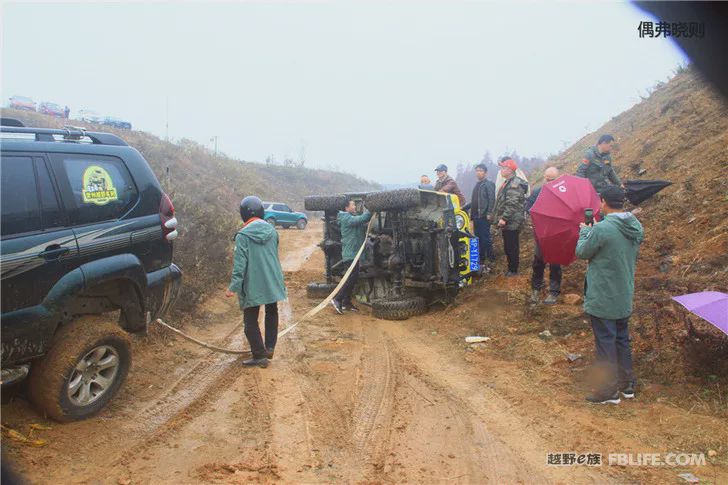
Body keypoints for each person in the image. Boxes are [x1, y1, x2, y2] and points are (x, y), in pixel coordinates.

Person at [576, 186, 643, 404]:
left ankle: (608, 392)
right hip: (623, 293)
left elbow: (582, 252)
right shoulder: (634, 226)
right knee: (622, 340)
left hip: (604, 295)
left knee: (605, 343)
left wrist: (586, 232)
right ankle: (627, 385)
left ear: (603, 202)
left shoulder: (602, 229)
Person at [226, 196, 287, 368]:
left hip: (253, 283)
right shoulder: (273, 231)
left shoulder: (242, 236)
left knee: (250, 321)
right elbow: (273, 255)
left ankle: (259, 355)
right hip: (272, 280)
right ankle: (269, 347)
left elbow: (240, 264)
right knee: (271, 311)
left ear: (243, 214)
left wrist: (234, 286)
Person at [526, 167, 562, 304]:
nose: (549, 181)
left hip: (557, 234)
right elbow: (528, 208)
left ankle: (554, 291)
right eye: (547, 178)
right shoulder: (537, 192)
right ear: (544, 177)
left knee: (555, 263)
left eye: (552, 179)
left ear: (557, 179)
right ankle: (536, 289)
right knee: (538, 262)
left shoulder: (561, 193)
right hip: (541, 233)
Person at [330, 199, 372, 314]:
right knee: (351, 278)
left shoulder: (351, 218)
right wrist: (371, 209)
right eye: (353, 205)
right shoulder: (346, 218)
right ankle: (337, 299)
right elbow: (362, 218)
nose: (355, 206)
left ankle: (346, 303)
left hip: (354, 254)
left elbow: (362, 224)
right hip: (350, 255)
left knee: (353, 278)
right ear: (346, 208)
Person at [493, 158, 528, 276]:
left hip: (512, 221)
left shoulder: (514, 184)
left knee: (511, 246)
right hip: (509, 221)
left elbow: (512, 203)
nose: (501, 170)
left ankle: (513, 270)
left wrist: (504, 218)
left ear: (509, 169)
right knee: (508, 245)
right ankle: (511, 268)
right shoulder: (507, 182)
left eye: (503, 168)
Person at [469, 163, 496, 264]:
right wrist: (464, 208)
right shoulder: (477, 184)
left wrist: (490, 213)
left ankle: (491, 258)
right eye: (477, 170)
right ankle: (481, 258)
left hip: (484, 216)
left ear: (485, 173)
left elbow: (492, 199)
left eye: (480, 170)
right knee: (478, 237)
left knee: (485, 238)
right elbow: (475, 201)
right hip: (476, 216)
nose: (478, 172)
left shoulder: (488, 184)